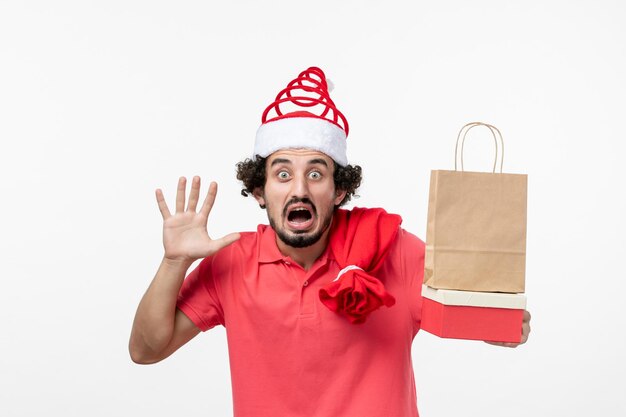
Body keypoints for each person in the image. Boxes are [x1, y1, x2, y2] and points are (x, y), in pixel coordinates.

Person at [129, 67, 531, 417]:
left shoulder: (395, 251)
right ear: (259, 191)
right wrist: (174, 263)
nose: (299, 189)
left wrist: (501, 320)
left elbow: (473, 309)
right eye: (282, 175)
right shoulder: (230, 263)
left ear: (339, 191)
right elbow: (146, 350)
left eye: (317, 174)